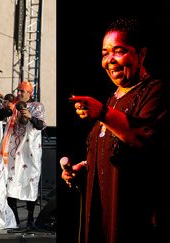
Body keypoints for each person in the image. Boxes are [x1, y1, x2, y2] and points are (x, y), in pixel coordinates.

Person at [62, 17, 170, 243]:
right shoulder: (111, 99)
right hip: (101, 214)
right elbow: (110, 154)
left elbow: (142, 138)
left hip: (133, 219)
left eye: (118, 51)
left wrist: (102, 113)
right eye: (104, 53)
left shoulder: (156, 92)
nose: (110, 60)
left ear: (141, 54)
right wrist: (84, 170)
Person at [0, 81, 46, 228]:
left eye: (22, 91)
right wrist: (6, 107)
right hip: (12, 153)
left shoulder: (37, 106)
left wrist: (30, 116)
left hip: (29, 152)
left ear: (29, 93)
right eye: (18, 91)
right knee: (10, 184)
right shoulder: (13, 105)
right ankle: (15, 220)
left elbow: (41, 125)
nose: (19, 94)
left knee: (30, 183)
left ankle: (30, 219)